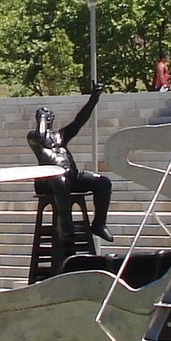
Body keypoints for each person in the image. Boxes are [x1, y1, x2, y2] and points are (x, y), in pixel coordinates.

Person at [28, 84, 113, 243]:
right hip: (47, 180)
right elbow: (41, 136)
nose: (46, 117)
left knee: (103, 183)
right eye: (43, 115)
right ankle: (66, 223)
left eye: (48, 115)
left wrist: (93, 99)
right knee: (59, 179)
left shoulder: (61, 136)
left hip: (70, 176)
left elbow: (79, 121)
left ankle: (99, 224)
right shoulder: (34, 137)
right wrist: (42, 119)